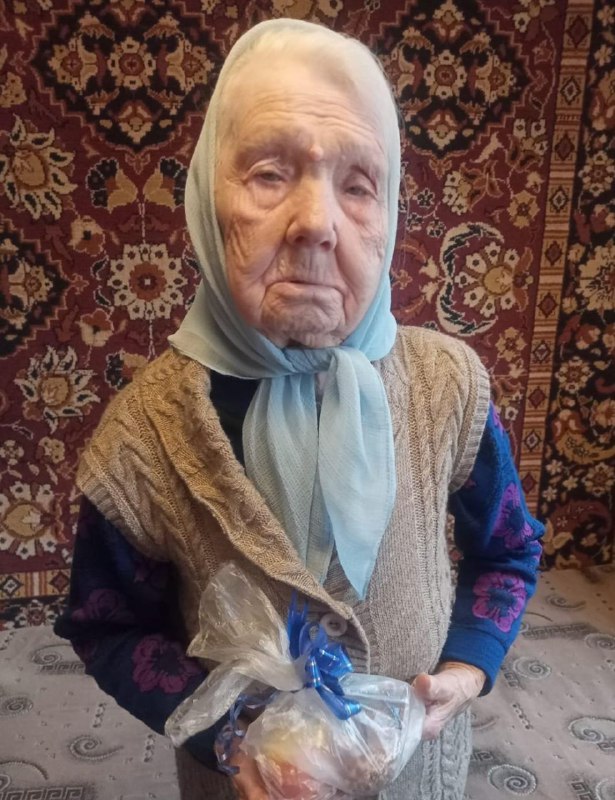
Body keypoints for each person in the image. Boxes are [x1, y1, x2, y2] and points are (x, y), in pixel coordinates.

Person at [55, 18, 544, 800]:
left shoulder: (448, 386)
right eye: (269, 173)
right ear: (206, 199)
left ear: (389, 212)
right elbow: (106, 627)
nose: (316, 222)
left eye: (358, 185)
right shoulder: (143, 435)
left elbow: (507, 551)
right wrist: (232, 736)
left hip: (416, 774)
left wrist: (467, 667)